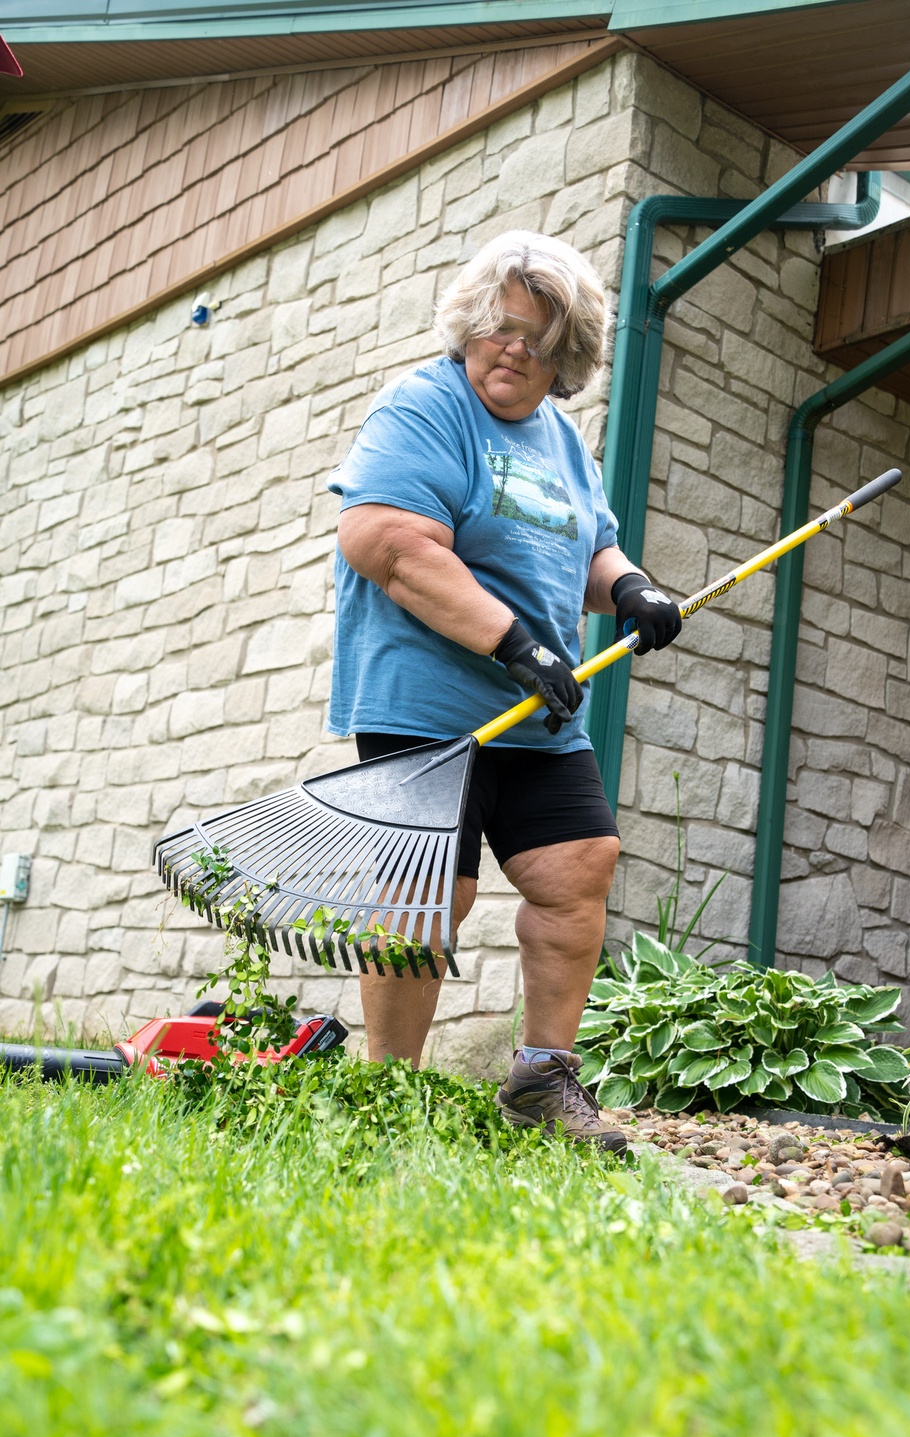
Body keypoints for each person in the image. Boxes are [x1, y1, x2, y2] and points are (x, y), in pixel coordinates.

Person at [327, 231, 681, 1154]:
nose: (515, 350)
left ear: (570, 361)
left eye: (542, 341)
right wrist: (514, 641)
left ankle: (539, 1081)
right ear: (468, 328)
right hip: (428, 700)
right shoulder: (423, 406)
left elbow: (589, 549)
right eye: (500, 329)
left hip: (542, 710)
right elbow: (387, 543)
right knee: (429, 896)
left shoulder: (562, 442)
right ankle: (388, 1094)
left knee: (580, 869)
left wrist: (632, 588)